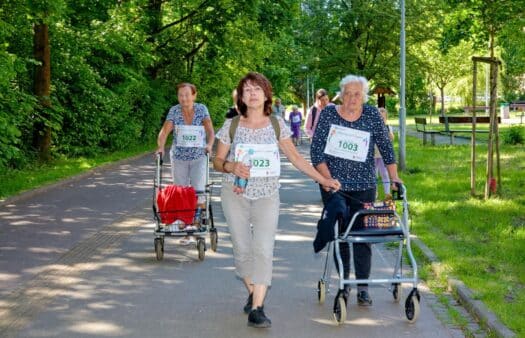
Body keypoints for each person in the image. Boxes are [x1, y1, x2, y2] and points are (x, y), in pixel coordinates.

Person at [213, 72, 340, 329]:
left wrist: (323, 180)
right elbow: (216, 161)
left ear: (266, 94)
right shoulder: (232, 125)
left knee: (263, 249)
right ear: (241, 96)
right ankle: (253, 291)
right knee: (242, 248)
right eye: (247, 89)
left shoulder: (276, 124)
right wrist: (230, 166)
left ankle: (258, 307)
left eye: (257, 88)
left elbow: (296, 159)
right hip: (235, 193)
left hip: (268, 194)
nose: (252, 93)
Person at [310, 74, 402, 308]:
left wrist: (394, 177)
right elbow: (316, 152)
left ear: (364, 96)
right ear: (341, 95)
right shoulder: (330, 114)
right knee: (342, 235)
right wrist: (328, 179)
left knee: (363, 238)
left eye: (357, 94)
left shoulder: (371, 114)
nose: (352, 98)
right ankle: (344, 285)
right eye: (348, 93)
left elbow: (386, 147)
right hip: (334, 187)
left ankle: (363, 288)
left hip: (365, 187)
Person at [156, 82, 215, 244]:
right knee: (181, 192)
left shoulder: (202, 109)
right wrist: (160, 147)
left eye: (187, 95)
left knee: (198, 191)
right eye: (181, 95)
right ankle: (185, 225)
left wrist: (209, 145)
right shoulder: (174, 111)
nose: (184, 98)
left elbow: (210, 130)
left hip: (198, 156)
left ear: (194, 96)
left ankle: (195, 226)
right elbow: (164, 131)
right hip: (179, 157)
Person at [375, 107, 395, 198]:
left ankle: (387, 193)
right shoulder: (373, 127)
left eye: (383, 118)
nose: (381, 120)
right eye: (379, 118)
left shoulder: (388, 127)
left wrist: (389, 135)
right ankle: (374, 193)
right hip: (373, 154)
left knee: (384, 173)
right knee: (373, 173)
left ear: (386, 118)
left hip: (383, 155)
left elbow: (391, 139)